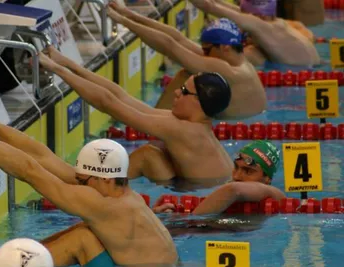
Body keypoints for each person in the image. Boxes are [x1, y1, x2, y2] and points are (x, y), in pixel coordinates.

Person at [0, 106, 177, 267]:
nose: (78, 184)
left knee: (81, 238)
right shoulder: (118, 191)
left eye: (82, 180)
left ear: (102, 177)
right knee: (86, 230)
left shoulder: (103, 204)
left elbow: (30, 171)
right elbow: (42, 157)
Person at [39, 46, 233, 188]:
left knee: (147, 155)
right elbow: (121, 97)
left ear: (198, 102)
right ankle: (91, 183)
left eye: (183, 91)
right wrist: (66, 63)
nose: (175, 93)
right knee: (149, 154)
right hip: (195, 186)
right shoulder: (192, 125)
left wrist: (58, 71)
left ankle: (85, 185)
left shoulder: (183, 130)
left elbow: (108, 104)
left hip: (201, 197)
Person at [107, 2, 266, 119]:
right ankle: (155, 117)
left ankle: (155, 119)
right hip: (247, 126)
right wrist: (128, 14)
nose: (203, 53)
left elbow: (170, 47)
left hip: (237, 132)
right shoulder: (238, 63)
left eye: (206, 49)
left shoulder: (225, 68)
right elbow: (178, 39)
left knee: (187, 75)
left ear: (224, 48)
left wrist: (124, 22)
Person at [154, 140, 285, 215]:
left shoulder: (275, 195)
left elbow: (234, 189)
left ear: (267, 179)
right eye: (236, 167)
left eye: (248, 171)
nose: (237, 176)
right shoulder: (225, 193)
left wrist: (190, 222)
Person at [189, 0, 320, 67]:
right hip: (310, 68)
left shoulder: (260, 25)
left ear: (255, 15)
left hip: (301, 74)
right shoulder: (275, 24)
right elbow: (215, 3)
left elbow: (207, 5)